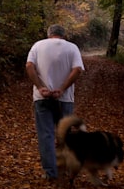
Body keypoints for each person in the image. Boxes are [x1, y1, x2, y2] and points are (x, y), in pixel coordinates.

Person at [25, 24, 84, 180]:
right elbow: (78, 69)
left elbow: (29, 66)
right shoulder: (72, 48)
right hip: (65, 99)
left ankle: (50, 173)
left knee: (46, 135)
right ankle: (66, 169)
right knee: (65, 134)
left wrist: (40, 87)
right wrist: (62, 89)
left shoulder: (37, 45)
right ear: (63, 35)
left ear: (49, 34)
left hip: (42, 98)